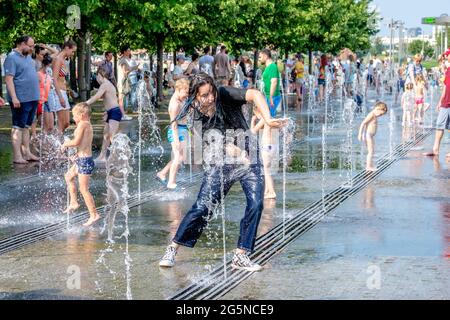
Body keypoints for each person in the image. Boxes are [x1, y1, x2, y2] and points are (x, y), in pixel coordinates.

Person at [158, 73, 287, 271]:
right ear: (195, 96)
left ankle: (241, 255)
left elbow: (254, 94)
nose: (211, 98)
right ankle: (173, 247)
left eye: (211, 92)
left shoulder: (224, 93)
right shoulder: (195, 117)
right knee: (202, 207)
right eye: (204, 95)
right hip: (220, 162)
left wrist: (268, 119)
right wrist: (237, 153)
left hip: (248, 154)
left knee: (256, 203)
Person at [61, 102, 100, 227]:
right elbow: (83, 144)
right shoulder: (86, 124)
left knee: (84, 189)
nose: (73, 118)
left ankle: (94, 215)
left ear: (82, 115)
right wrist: (76, 155)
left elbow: (77, 142)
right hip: (81, 159)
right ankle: (73, 202)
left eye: (74, 116)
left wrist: (65, 144)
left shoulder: (83, 125)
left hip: (85, 161)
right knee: (68, 176)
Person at [4, 35, 40, 164]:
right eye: (30, 46)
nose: (32, 49)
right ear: (21, 44)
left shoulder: (28, 57)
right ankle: (17, 156)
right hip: (21, 98)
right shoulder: (11, 58)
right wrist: (14, 97)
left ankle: (27, 153)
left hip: (32, 97)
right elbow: (8, 80)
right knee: (18, 127)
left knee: (26, 126)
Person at [156, 79, 190, 189]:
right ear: (178, 90)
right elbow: (173, 124)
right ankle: (171, 182)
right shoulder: (175, 104)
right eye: (185, 92)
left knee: (181, 157)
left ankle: (162, 173)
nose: (186, 95)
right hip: (176, 131)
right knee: (178, 158)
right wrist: (176, 140)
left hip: (183, 129)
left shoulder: (180, 99)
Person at [85, 65, 122, 163]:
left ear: (100, 75)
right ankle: (102, 156)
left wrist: (85, 103)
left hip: (114, 112)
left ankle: (119, 157)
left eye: (96, 76)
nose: (96, 79)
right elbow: (111, 99)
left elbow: (97, 97)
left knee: (112, 136)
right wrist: (107, 111)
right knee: (106, 135)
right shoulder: (109, 84)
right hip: (111, 111)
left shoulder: (105, 84)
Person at [423, 49, 450, 160]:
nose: (446, 57)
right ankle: (435, 150)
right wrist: (440, 100)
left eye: (447, 55)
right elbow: (445, 86)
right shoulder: (448, 70)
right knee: (439, 125)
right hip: (446, 102)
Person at [47, 40, 77, 134]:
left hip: (63, 92)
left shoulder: (63, 60)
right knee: (61, 123)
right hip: (58, 92)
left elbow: (62, 78)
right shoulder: (58, 59)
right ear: (67, 48)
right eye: (72, 51)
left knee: (67, 123)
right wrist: (60, 97)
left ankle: (57, 141)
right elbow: (54, 79)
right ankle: (58, 144)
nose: (72, 54)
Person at [358, 101, 388, 171]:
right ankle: (368, 167)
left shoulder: (374, 115)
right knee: (371, 151)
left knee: (372, 151)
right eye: (381, 114)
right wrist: (360, 134)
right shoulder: (371, 114)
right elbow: (363, 123)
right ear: (378, 108)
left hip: (370, 136)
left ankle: (370, 165)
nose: (380, 115)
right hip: (368, 135)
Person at [32, 53, 52, 137]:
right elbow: (33, 88)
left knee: (49, 126)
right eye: (47, 65)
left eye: (50, 65)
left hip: (46, 101)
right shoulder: (38, 74)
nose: (49, 67)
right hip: (39, 101)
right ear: (43, 65)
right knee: (43, 125)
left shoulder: (48, 75)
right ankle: (36, 138)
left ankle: (43, 141)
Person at [259, 49, 281, 117]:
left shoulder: (272, 66)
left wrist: (271, 97)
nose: (259, 59)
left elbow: (274, 82)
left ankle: (283, 125)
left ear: (265, 56)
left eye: (260, 57)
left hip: (272, 96)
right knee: (265, 117)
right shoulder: (267, 67)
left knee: (269, 118)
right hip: (267, 96)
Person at [118, 45, 138, 118]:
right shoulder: (123, 60)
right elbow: (125, 72)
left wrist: (133, 68)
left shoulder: (124, 60)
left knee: (122, 97)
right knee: (121, 98)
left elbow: (128, 70)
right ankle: (122, 115)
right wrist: (133, 68)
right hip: (122, 81)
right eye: (128, 50)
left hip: (123, 80)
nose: (130, 52)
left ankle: (123, 114)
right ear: (124, 52)